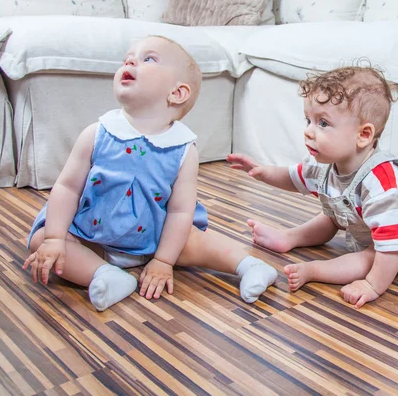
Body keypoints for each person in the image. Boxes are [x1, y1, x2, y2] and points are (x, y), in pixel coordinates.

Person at [23, 35, 277, 311]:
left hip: (154, 237)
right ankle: (105, 275)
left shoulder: (182, 150)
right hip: (91, 233)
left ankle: (249, 266)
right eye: (128, 58)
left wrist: (163, 261)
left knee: (193, 240)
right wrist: (55, 239)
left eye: (148, 58)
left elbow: (181, 212)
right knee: (41, 241)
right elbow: (67, 188)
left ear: (177, 93)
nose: (130, 61)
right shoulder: (97, 133)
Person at [227, 66, 398, 309]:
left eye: (323, 123)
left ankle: (316, 270)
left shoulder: (383, 184)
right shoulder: (326, 165)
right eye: (308, 120)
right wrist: (262, 172)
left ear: (363, 135)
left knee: (369, 258)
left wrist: (372, 285)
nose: (308, 131)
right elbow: (294, 177)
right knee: (331, 214)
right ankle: (290, 237)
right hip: (371, 230)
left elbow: (391, 249)